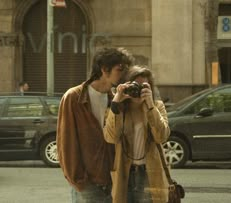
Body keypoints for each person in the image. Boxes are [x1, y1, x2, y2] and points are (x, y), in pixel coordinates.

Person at [56, 47, 134, 203]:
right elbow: (66, 143)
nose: (124, 75)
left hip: (113, 180)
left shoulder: (116, 99)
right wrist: (79, 181)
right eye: (120, 69)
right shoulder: (74, 98)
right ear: (104, 69)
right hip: (87, 184)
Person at [103, 65, 170, 203]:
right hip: (124, 173)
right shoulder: (119, 109)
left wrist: (150, 106)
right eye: (134, 86)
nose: (138, 90)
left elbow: (161, 136)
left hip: (149, 172)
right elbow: (111, 137)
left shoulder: (156, 106)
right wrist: (116, 102)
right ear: (126, 86)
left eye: (143, 86)